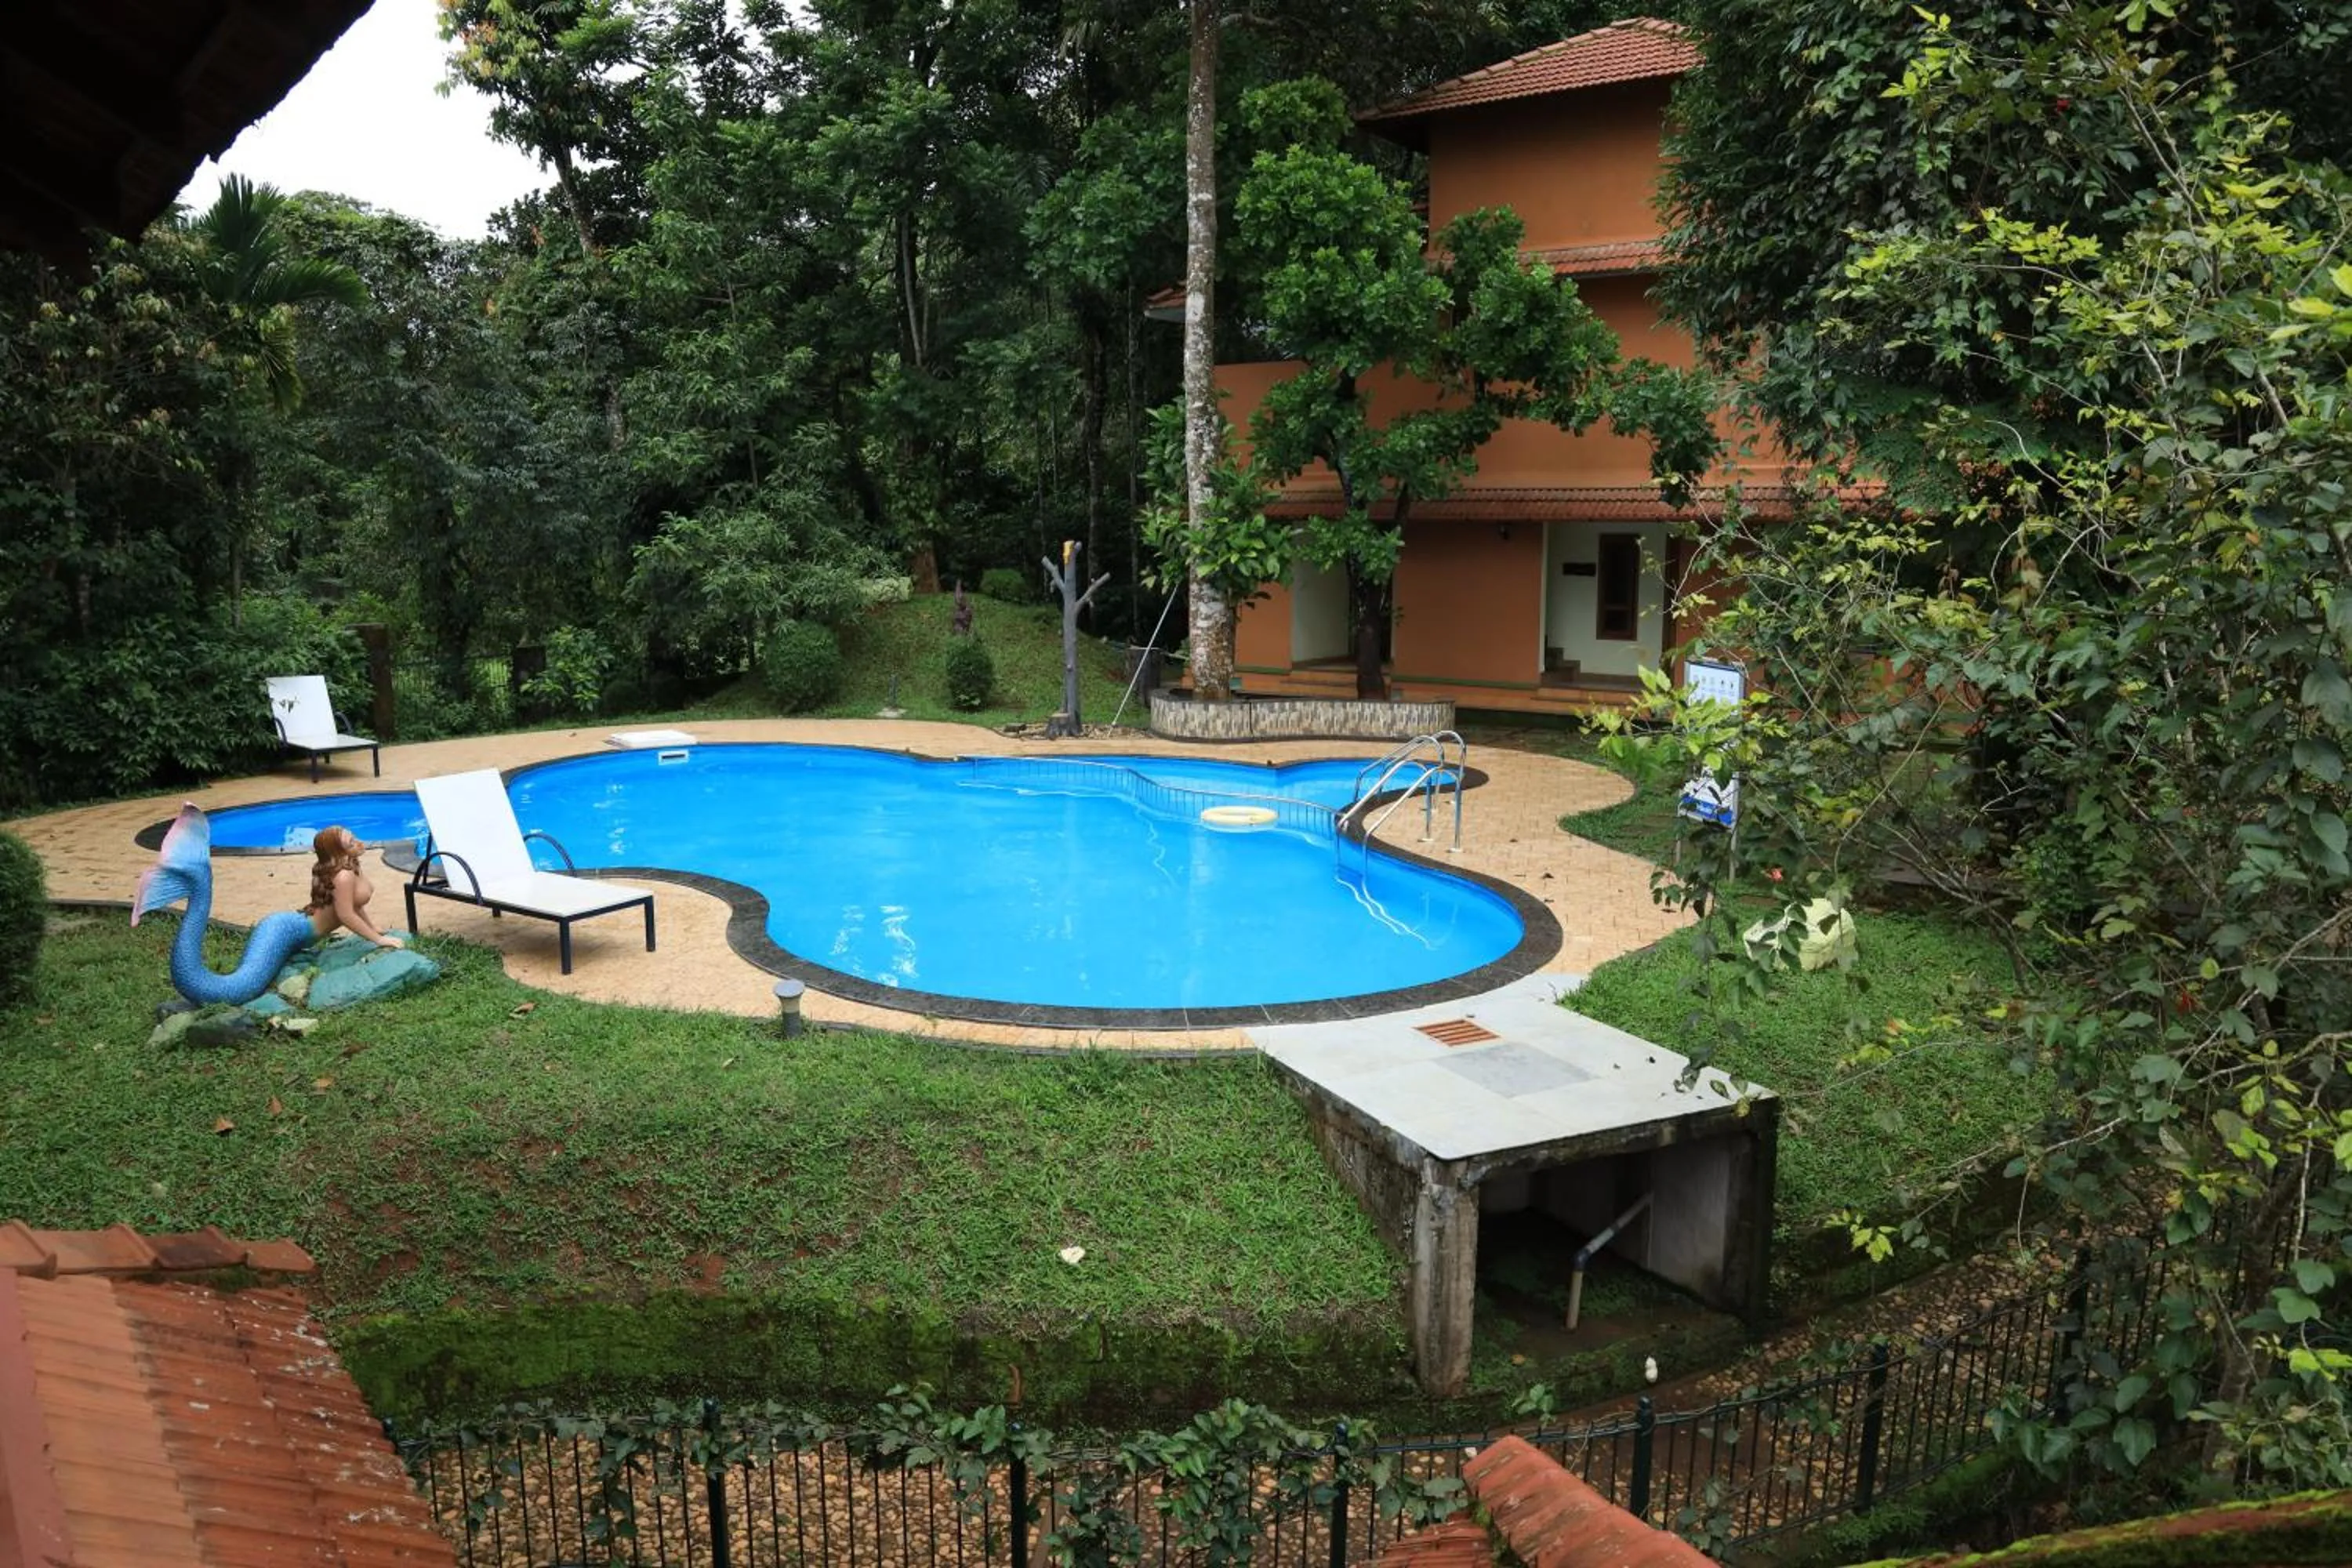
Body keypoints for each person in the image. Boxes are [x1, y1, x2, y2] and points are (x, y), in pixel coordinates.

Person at [305, 826, 405, 949]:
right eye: (351, 843)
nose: (360, 843)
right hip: (295, 932)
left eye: (354, 838)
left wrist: (371, 928)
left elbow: (355, 906)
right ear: (339, 853)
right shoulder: (343, 876)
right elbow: (346, 915)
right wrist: (378, 940)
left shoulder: (351, 865)